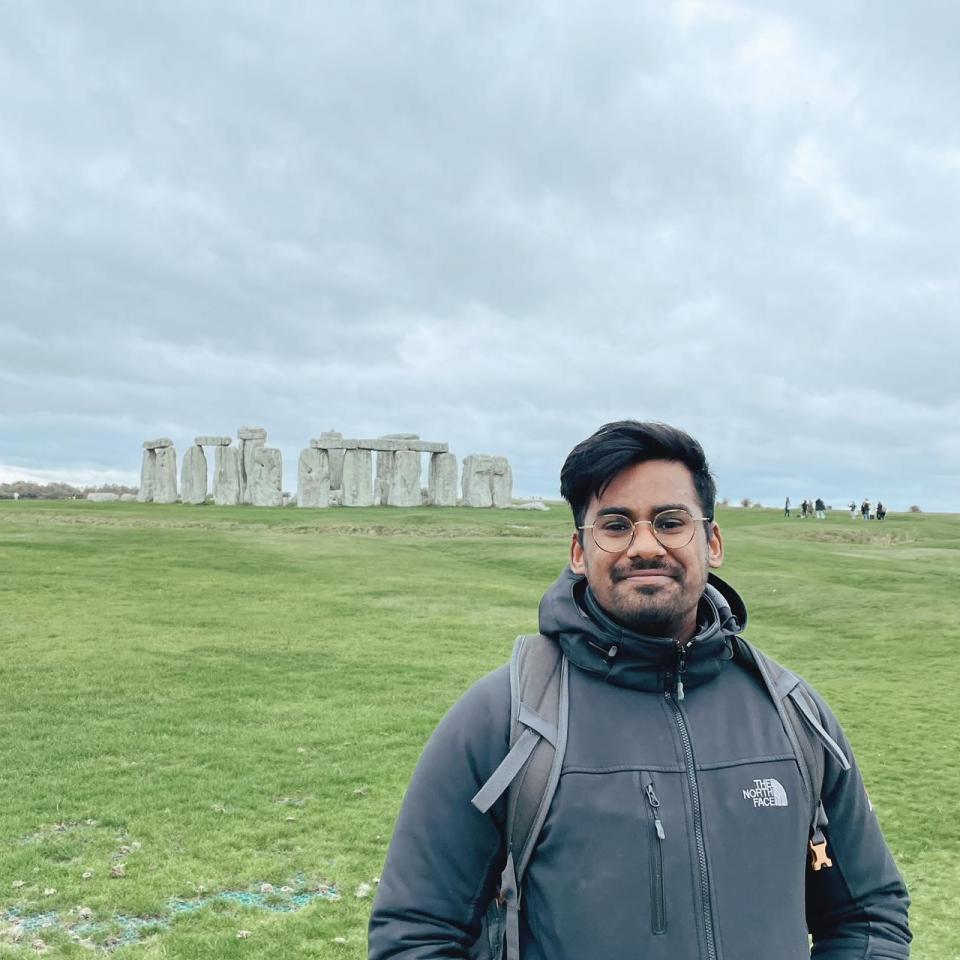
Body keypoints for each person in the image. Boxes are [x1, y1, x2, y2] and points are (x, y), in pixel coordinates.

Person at [369, 421, 911, 960]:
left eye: (671, 522)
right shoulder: (504, 720)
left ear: (713, 541)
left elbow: (868, 918)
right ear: (580, 551)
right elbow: (416, 936)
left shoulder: (793, 714)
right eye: (615, 525)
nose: (645, 546)